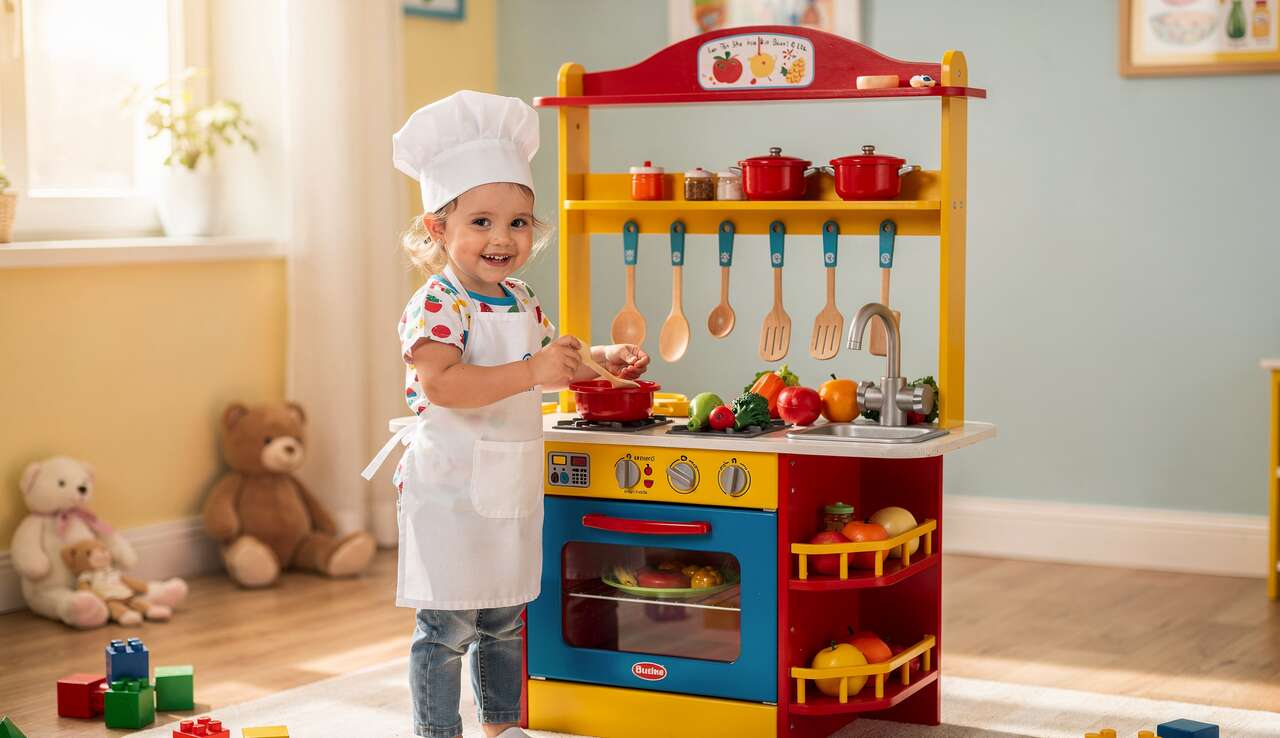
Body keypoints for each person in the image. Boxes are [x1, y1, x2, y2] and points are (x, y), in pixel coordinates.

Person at [367, 90, 650, 738]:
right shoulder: (438, 303)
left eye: (519, 222)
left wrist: (598, 356)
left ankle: (503, 726)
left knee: (503, 618)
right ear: (438, 229)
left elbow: (548, 359)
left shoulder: (520, 295)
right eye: (483, 222)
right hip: (451, 488)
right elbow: (442, 384)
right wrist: (532, 373)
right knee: (446, 628)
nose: (503, 238)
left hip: (507, 483)